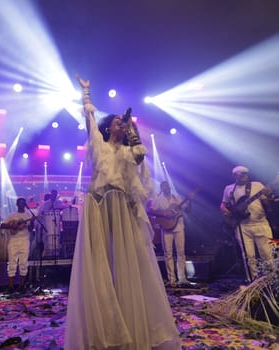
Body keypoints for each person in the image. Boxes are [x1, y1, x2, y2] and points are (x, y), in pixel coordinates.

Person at [64, 76, 180, 349]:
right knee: (101, 262)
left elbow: (140, 158)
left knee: (128, 262)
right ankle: (103, 328)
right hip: (100, 205)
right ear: (109, 127)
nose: (120, 121)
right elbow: (90, 118)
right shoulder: (99, 144)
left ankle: (129, 322)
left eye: (122, 120)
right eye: (117, 120)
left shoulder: (129, 152)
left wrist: (133, 131)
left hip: (122, 207)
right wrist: (87, 92)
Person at [220, 165, 274, 281]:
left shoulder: (257, 185)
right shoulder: (229, 189)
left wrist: (269, 195)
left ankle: (271, 279)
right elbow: (223, 204)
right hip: (242, 226)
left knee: (267, 254)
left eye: (246, 173)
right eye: (241, 174)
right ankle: (253, 280)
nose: (245, 176)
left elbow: (268, 205)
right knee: (249, 256)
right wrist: (225, 210)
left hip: (260, 224)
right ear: (235, 176)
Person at [150, 180, 191, 287]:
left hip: (179, 227)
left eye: (167, 186)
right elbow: (151, 211)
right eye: (164, 186)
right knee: (168, 254)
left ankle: (182, 278)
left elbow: (187, 210)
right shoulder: (158, 199)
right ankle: (171, 279)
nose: (166, 188)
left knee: (181, 253)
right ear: (161, 188)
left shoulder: (176, 198)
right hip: (166, 228)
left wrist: (190, 201)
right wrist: (164, 213)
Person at [1, 197, 33, 292]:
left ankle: (21, 286)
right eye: (20, 203)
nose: (22, 205)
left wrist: (31, 223)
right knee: (12, 263)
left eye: (23, 203)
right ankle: (10, 286)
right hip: (13, 240)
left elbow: (31, 229)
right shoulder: (12, 216)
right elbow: (2, 225)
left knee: (23, 263)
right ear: (17, 204)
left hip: (25, 240)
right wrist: (11, 225)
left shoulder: (28, 215)